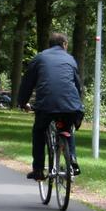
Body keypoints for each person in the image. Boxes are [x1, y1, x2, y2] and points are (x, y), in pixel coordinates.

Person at [16, 32, 83, 181]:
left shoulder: (39, 58)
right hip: (71, 106)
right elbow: (77, 85)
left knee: (39, 132)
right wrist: (78, 104)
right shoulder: (70, 59)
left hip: (46, 105)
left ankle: (38, 170)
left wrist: (22, 102)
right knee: (67, 129)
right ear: (64, 45)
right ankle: (72, 160)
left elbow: (28, 83)